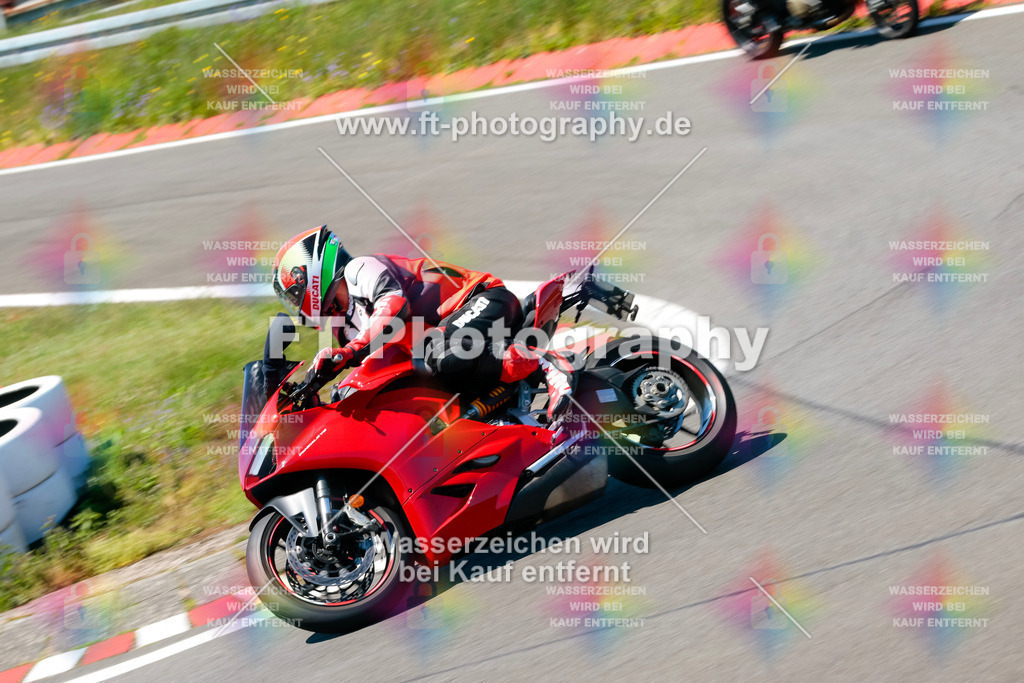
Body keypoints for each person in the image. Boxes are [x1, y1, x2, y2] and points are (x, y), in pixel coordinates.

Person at [271, 226, 573, 419]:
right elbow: (377, 365)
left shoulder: (359, 270)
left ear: (311, 275)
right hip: (449, 338)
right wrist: (327, 391)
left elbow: (394, 308)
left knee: (437, 352)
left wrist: (349, 353)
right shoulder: (344, 327)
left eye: (295, 295)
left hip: (481, 299)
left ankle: (547, 362)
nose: (297, 305)